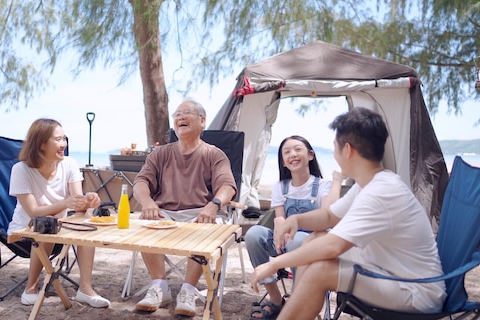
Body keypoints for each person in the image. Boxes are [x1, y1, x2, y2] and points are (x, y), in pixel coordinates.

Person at [250, 107, 446, 320]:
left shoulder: (381, 192)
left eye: (335, 147)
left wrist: (274, 263)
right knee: (315, 239)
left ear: (348, 150)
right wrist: (296, 219)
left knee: (321, 269)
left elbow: (334, 246)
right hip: (385, 269)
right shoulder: (370, 183)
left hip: (415, 292)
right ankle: (298, 309)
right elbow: (329, 217)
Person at [132, 99, 237, 317]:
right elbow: (140, 183)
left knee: (204, 228)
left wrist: (214, 204)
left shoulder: (214, 154)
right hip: (166, 214)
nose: (180, 117)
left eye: (186, 112)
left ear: (202, 121)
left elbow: (227, 186)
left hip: (201, 213)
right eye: (177, 114)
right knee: (145, 223)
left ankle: (188, 290)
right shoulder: (160, 154)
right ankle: (159, 287)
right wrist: (148, 202)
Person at [7, 118, 110, 308]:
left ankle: (85, 289)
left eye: (64, 139)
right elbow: (33, 212)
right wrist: (65, 203)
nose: (64, 144)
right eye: (58, 139)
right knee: (47, 224)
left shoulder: (69, 164)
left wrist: (88, 200)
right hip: (26, 231)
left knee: (85, 224)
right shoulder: (21, 170)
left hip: (60, 229)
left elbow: (78, 205)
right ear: (41, 144)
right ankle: (31, 286)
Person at [245, 135, 342, 320]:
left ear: (311, 155)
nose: (293, 154)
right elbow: (279, 218)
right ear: (283, 161)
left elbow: (329, 216)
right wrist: (279, 228)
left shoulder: (322, 185)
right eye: (287, 152)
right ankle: (275, 299)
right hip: (285, 240)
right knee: (253, 234)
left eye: (298, 149)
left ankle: (299, 301)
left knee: (295, 240)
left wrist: (337, 180)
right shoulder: (281, 187)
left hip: (312, 245)